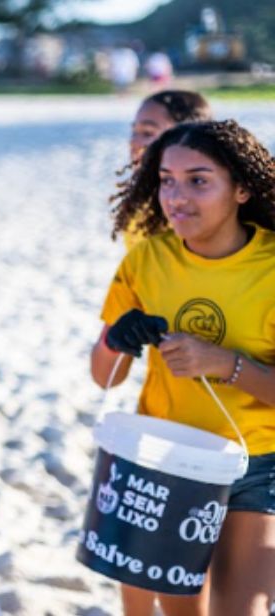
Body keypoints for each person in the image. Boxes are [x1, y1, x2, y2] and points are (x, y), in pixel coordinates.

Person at [91, 120, 275, 616]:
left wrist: (225, 364)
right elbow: (102, 373)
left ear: (241, 189)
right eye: (166, 180)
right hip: (164, 462)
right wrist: (118, 338)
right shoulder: (147, 259)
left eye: (198, 180)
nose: (176, 196)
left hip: (255, 464)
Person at [119, 90, 212, 249]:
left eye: (147, 133)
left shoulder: (204, 202)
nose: (133, 142)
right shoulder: (139, 201)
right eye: (134, 131)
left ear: (186, 136)